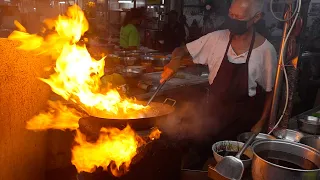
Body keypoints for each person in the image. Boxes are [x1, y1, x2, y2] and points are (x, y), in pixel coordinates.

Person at [161, 0, 277, 164]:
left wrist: (261, 122)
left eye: (239, 17)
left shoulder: (266, 51)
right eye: (231, 14)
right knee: (200, 158)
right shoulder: (215, 39)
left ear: (256, 17)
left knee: (231, 164)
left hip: (242, 124)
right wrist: (175, 60)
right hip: (212, 117)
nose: (233, 20)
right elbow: (180, 50)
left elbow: (270, 91)